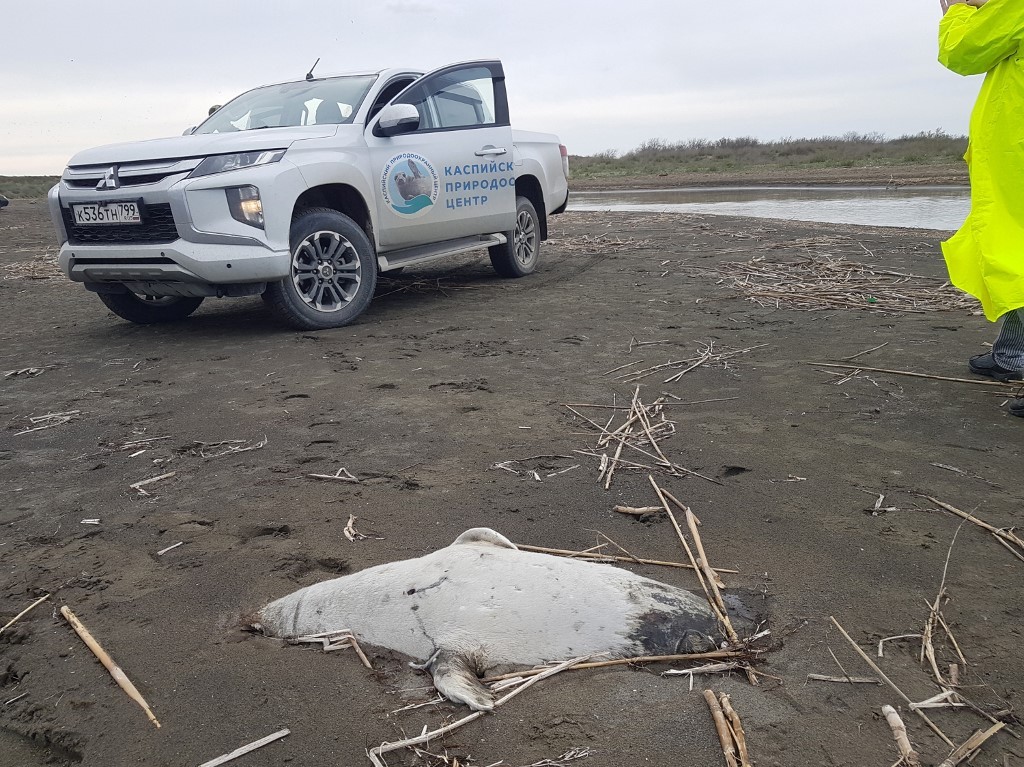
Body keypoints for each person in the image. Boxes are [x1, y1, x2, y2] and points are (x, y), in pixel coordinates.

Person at [938, 0, 1024, 417]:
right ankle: (1013, 354)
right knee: (1011, 254)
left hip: (1016, 158)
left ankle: (1014, 354)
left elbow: (964, 50)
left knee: (1012, 252)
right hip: (1012, 156)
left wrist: (956, 9)